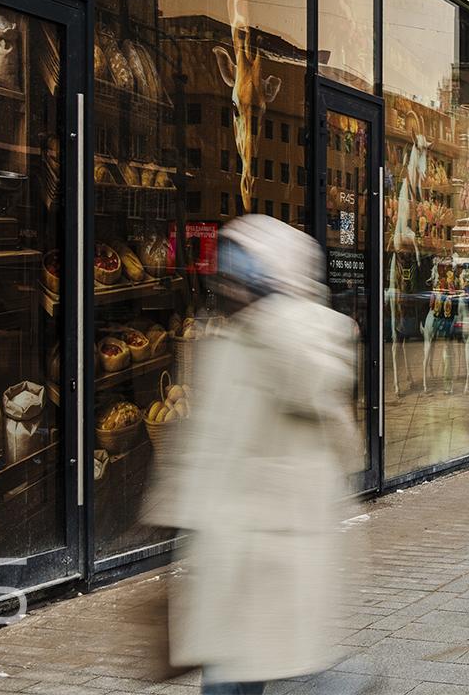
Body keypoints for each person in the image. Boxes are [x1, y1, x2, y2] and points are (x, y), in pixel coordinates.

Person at [146, 215, 365, 695]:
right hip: (228, 538)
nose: (228, 288)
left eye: (240, 275)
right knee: (234, 661)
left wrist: (276, 316)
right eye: (224, 276)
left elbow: (320, 399)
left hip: (275, 540)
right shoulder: (229, 341)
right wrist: (174, 510)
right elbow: (206, 439)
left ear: (271, 278)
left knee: (243, 661)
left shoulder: (308, 335)